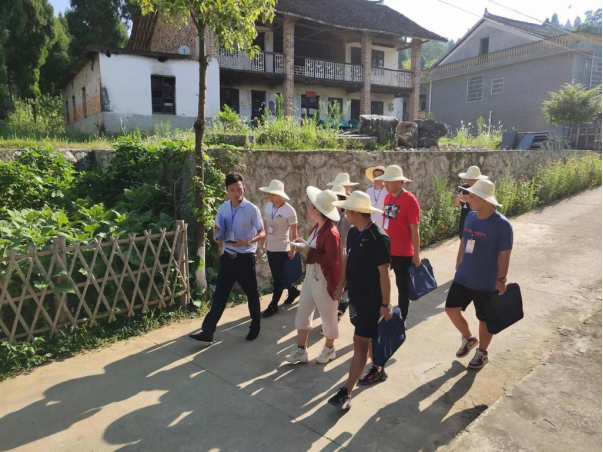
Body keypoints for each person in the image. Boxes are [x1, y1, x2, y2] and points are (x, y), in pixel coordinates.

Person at [327, 191, 392, 411]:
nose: (344, 213)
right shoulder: (355, 231)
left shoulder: (378, 237)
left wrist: (385, 304)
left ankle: (346, 392)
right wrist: (341, 285)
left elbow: (384, 274)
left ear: (355, 212)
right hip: (355, 297)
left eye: (346, 210)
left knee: (360, 342)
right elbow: (348, 258)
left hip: (371, 301)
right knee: (368, 338)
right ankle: (378, 368)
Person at [189, 173, 265, 346]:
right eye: (232, 190)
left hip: (245, 258)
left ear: (243, 188)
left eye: (239, 189)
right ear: (227, 191)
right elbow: (217, 228)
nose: (237, 193)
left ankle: (255, 327)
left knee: (252, 294)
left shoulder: (252, 209)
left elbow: (262, 232)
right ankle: (207, 332)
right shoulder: (223, 208)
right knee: (220, 296)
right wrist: (217, 237)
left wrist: (249, 241)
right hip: (228, 258)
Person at [445, 180, 513, 370]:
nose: (468, 199)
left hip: (486, 280)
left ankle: (482, 352)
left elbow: (505, 254)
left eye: (472, 196)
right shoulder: (470, 216)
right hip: (464, 275)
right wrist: (459, 261)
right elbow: (464, 241)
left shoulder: (502, 225)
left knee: (484, 319)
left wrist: (501, 279)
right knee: (451, 309)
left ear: (484, 199)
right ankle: (469, 338)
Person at [285, 187, 342, 365]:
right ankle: (301, 350)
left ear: (317, 209)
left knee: (328, 316)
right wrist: (305, 244)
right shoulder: (318, 226)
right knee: (303, 313)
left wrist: (308, 250)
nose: (308, 206)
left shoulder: (331, 232)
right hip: (312, 276)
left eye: (311, 204)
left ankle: (329, 349)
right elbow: (316, 249)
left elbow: (332, 259)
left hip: (324, 277)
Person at [375, 165, 422, 323]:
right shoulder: (387, 198)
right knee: (380, 280)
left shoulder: (410, 200)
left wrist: (416, 255)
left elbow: (415, 229)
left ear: (400, 182)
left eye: (389, 181)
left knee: (402, 286)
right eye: (385, 181)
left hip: (403, 252)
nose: (386, 184)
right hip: (387, 249)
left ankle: (402, 318)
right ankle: (383, 310)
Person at [258, 180, 301, 319]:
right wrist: (262, 244)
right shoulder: (267, 207)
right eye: (269, 194)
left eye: (273, 194)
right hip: (271, 248)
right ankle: (293, 291)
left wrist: (293, 249)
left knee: (277, 279)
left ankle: (273, 305)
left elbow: (294, 233)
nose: (270, 197)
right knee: (278, 276)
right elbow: (265, 229)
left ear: (281, 195)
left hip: (283, 248)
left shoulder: (289, 210)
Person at [331, 185, 352, 319]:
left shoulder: (345, 218)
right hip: (333, 252)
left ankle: (340, 306)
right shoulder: (331, 215)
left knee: (340, 280)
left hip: (341, 252)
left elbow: (344, 240)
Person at [455, 166, 489, 240]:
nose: (469, 181)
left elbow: (485, 206)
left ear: (478, 179)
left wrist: (469, 200)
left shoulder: (483, 190)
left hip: (478, 220)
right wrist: (459, 198)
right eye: (468, 179)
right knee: (464, 239)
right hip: (465, 219)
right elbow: (456, 203)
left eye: (472, 180)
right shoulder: (463, 188)